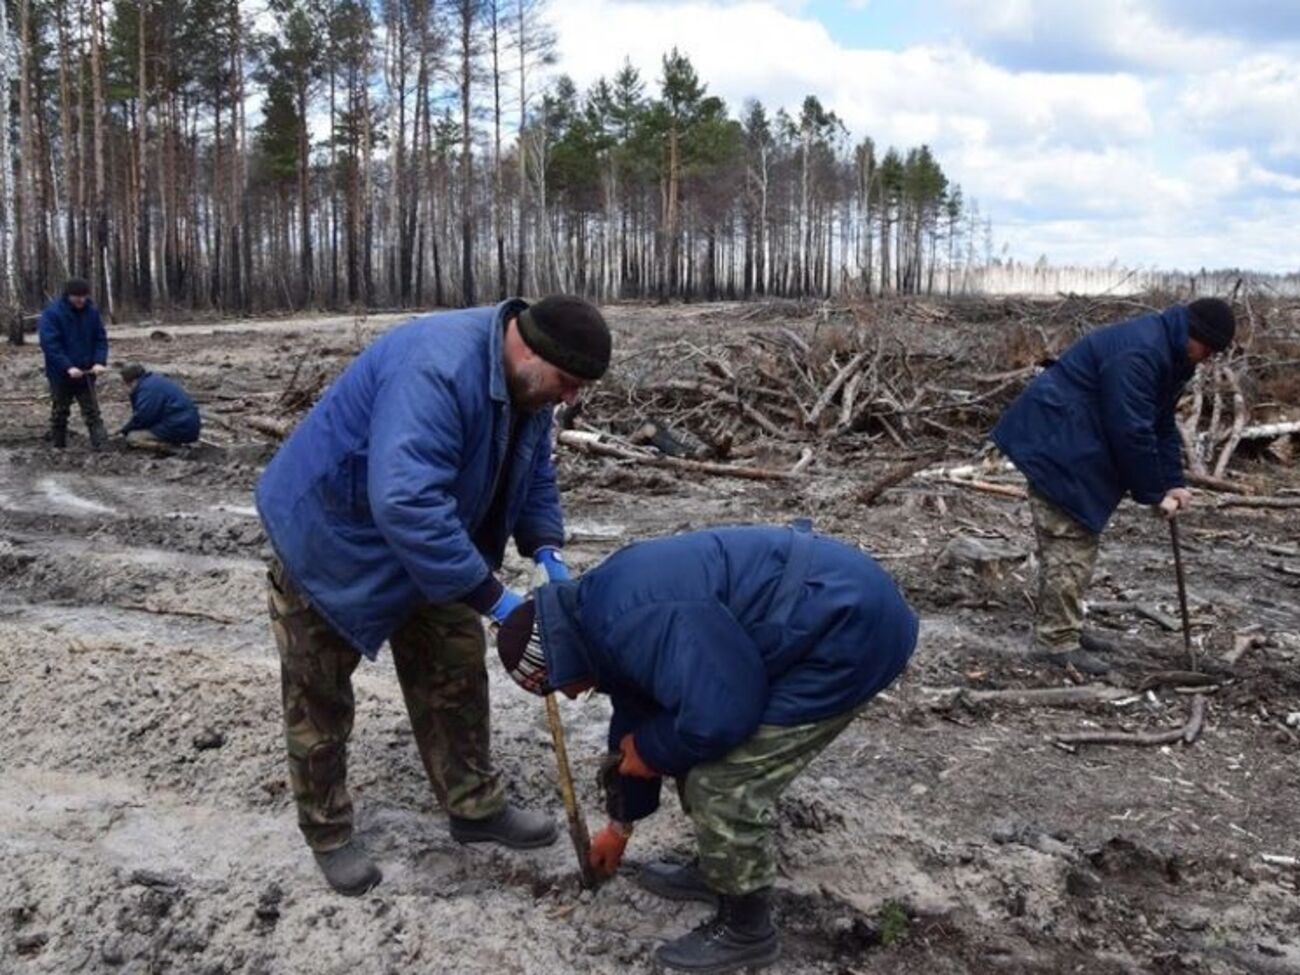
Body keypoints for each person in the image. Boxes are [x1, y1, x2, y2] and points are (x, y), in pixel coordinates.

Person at [254, 295, 610, 897]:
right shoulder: (437, 368)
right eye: (567, 383)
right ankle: (328, 830)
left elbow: (533, 470)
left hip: (430, 536)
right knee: (319, 695)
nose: (570, 399)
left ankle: (474, 805)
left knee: (454, 669)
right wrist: (497, 601)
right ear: (529, 350)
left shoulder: (527, 385)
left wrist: (547, 550)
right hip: (333, 536)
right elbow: (406, 500)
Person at [496, 523, 919, 974]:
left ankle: (747, 929)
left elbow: (724, 715)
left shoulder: (631, 621)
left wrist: (654, 751)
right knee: (682, 738)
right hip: (816, 612)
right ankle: (721, 866)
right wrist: (621, 824)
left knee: (720, 780)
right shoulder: (596, 614)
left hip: (849, 631)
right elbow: (637, 715)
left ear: (556, 659)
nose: (571, 697)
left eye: (556, 686)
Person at [991, 298, 1236, 675]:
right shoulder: (1141, 353)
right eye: (1208, 349)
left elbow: (1160, 423)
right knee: (1070, 538)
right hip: (1057, 441)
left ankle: (1065, 624)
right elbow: (1130, 429)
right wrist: (1154, 494)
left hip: (1074, 440)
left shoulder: (1172, 355)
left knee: (1076, 538)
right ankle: (1055, 641)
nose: (1207, 358)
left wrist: (1173, 481)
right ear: (1195, 334)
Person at [38, 278, 109, 450]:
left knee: (92, 412)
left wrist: (99, 361)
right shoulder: (52, 313)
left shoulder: (92, 312)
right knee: (60, 412)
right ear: (68, 296)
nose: (81, 300)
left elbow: (100, 339)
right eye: (77, 297)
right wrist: (67, 366)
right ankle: (58, 446)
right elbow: (50, 344)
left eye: (84, 296)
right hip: (61, 374)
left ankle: (102, 448)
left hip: (87, 372)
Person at [116, 363, 201, 448]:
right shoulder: (153, 381)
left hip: (180, 426)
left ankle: (172, 449)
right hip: (185, 423)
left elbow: (143, 417)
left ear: (132, 381)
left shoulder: (146, 389)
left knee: (133, 437)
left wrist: (125, 430)